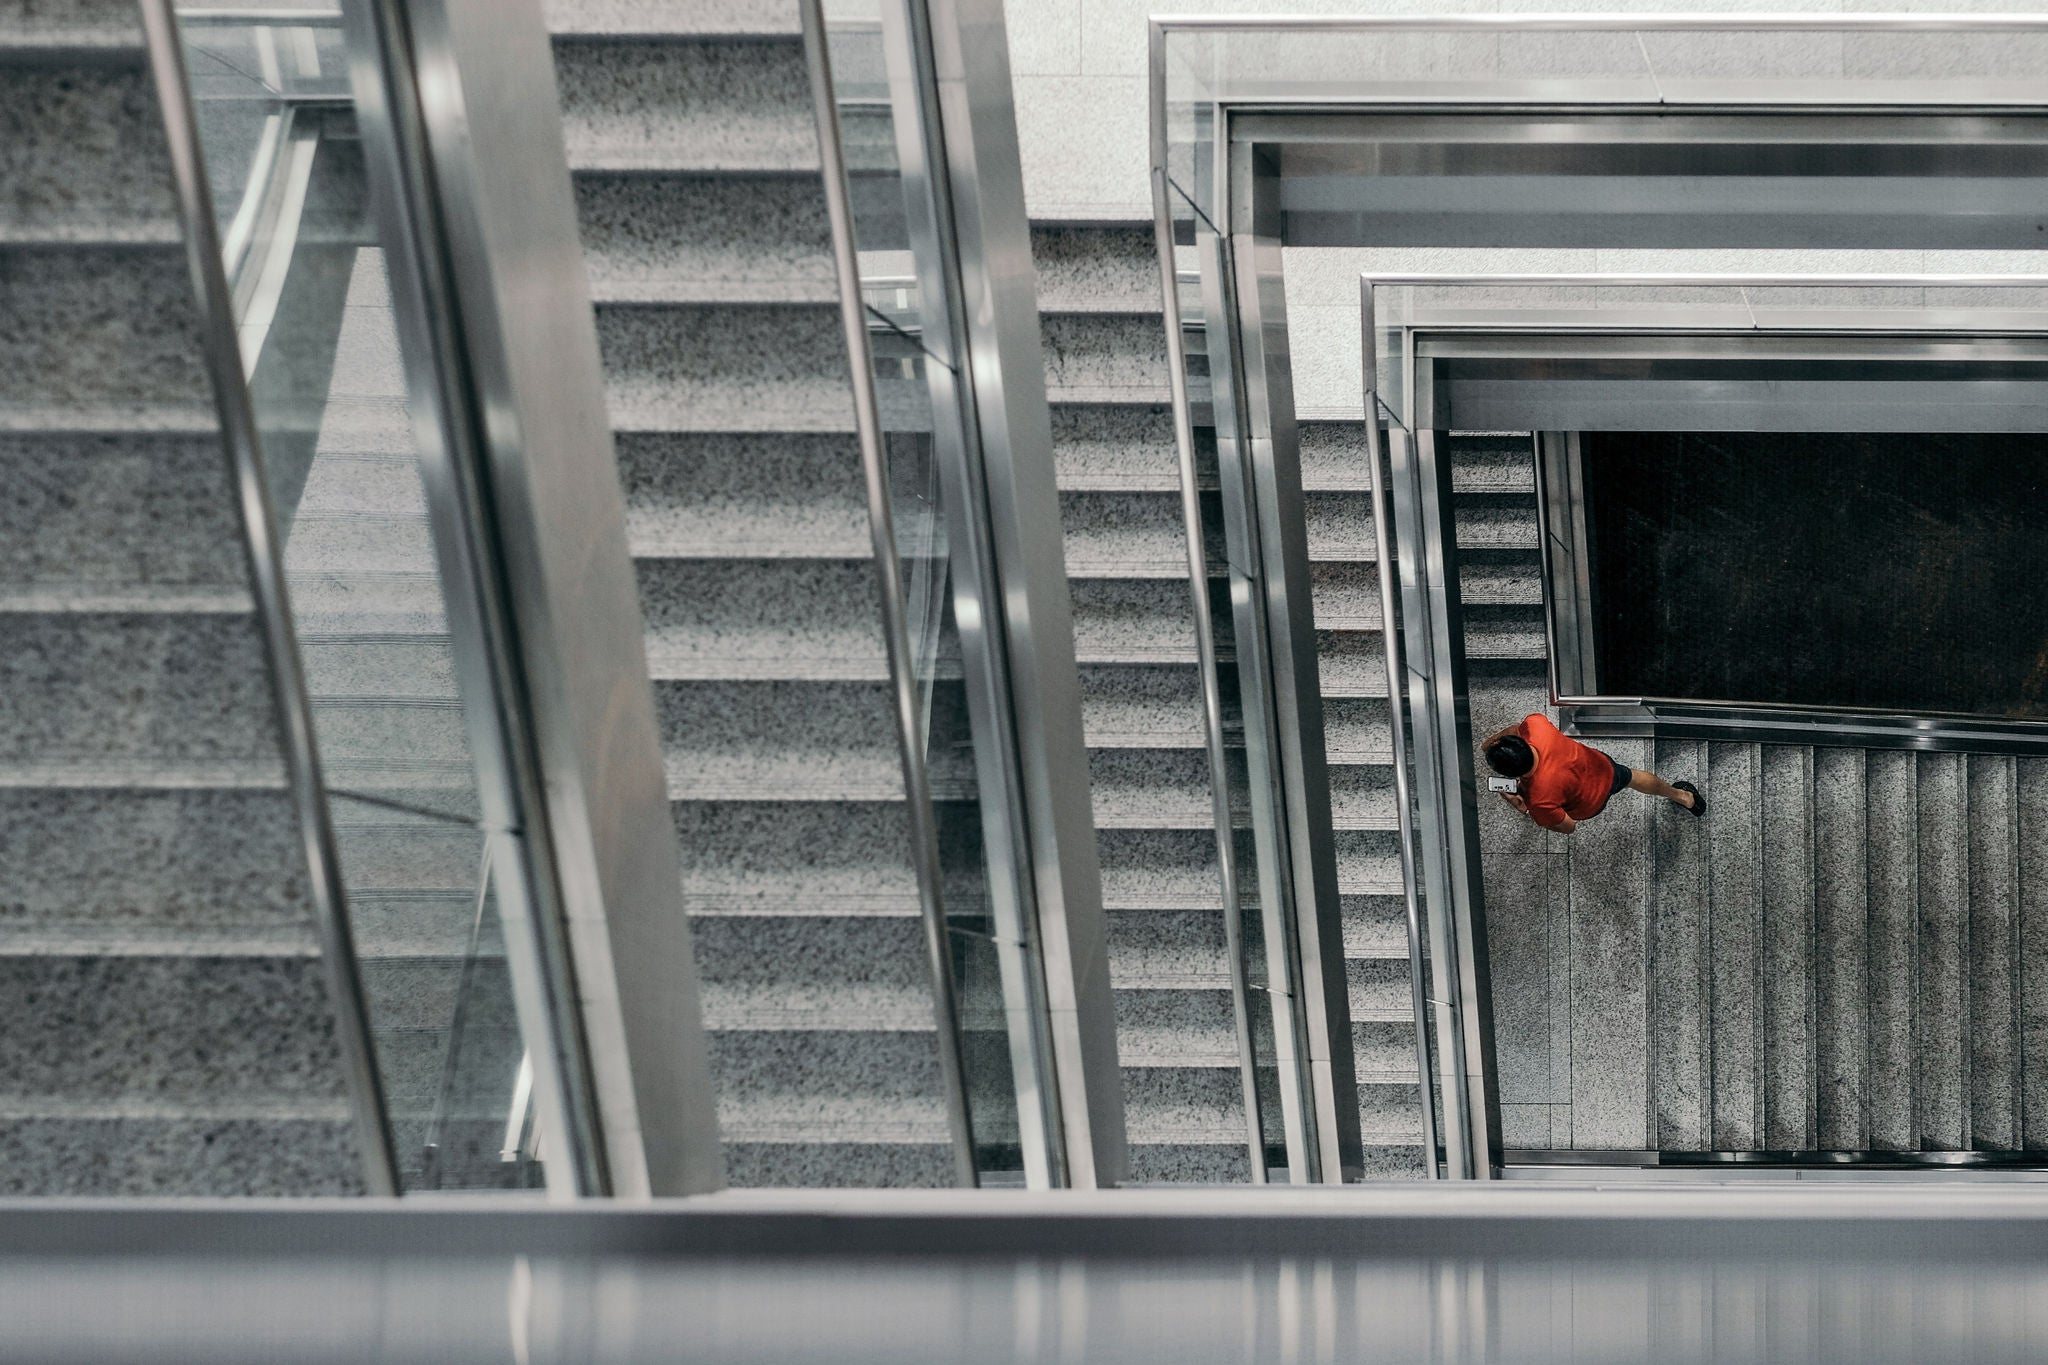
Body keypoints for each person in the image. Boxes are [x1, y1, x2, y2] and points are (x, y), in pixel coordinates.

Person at [1480, 713, 1703, 834]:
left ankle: (1683, 797)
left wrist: (1522, 807)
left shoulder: (1539, 800)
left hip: (1590, 804)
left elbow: (1568, 827)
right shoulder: (1536, 725)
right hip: (1601, 766)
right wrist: (1494, 743)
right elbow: (1515, 729)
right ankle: (1684, 797)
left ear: (1511, 774)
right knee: (1633, 777)